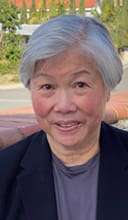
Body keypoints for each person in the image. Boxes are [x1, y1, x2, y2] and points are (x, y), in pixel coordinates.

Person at [0, 14, 128, 220]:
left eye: (80, 84)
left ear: (107, 88)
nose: (64, 106)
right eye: (47, 86)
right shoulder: (4, 173)